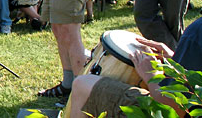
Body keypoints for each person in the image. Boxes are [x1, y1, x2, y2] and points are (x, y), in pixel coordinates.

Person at [69, 17, 202, 117]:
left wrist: (151, 75)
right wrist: (175, 59)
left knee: (83, 84)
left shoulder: (197, 32)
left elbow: (173, 110)